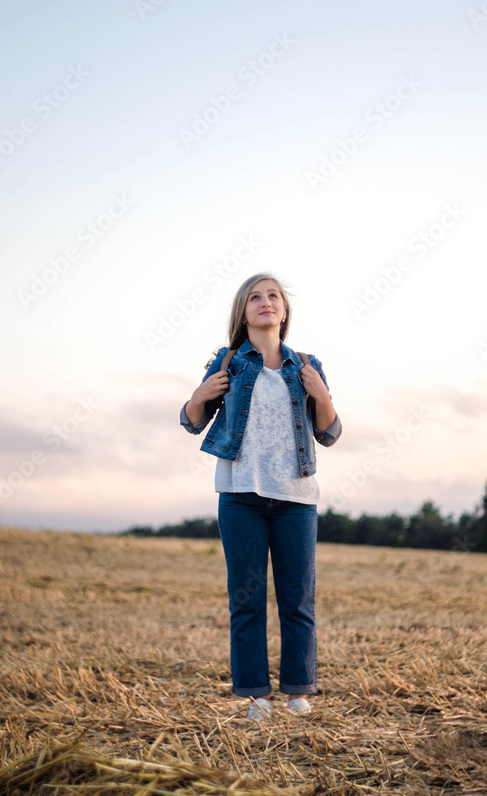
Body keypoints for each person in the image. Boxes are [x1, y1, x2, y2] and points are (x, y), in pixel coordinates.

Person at [180, 272, 342, 720]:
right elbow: (192, 420)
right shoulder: (229, 361)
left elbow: (328, 432)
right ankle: (255, 696)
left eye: (273, 296)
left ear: (284, 311)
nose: (265, 302)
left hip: (296, 499)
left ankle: (297, 692)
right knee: (246, 599)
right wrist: (200, 394)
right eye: (255, 297)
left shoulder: (306, 364)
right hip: (240, 496)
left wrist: (322, 395)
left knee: (297, 598)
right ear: (244, 312)